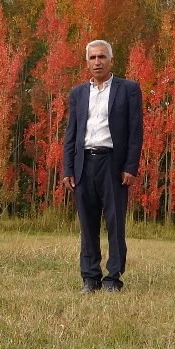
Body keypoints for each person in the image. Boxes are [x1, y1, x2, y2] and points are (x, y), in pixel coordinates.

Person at [61, 39, 143, 294]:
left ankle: (113, 278)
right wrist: (67, 169)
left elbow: (135, 131)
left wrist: (130, 166)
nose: (97, 62)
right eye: (92, 58)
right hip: (84, 164)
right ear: (87, 62)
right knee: (87, 224)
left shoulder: (128, 89)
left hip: (113, 164)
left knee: (115, 222)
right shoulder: (78, 93)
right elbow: (71, 133)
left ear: (110, 60)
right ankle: (90, 277)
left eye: (102, 57)